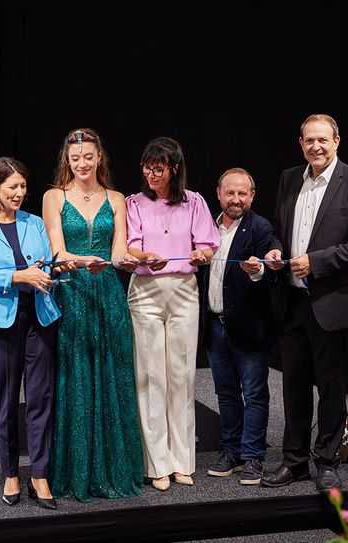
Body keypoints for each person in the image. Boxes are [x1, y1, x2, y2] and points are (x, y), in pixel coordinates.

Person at [262, 114, 348, 492]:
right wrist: (275, 249)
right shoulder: (288, 179)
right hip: (291, 300)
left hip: (332, 300)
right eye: (309, 140)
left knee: (331, 388)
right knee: (294, 387)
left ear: (336, 141)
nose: (316, 147)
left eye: (323, 140)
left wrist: (316, 262)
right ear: (301, 143)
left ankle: (327, 462)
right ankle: (294, 461)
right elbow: (280, 229)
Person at [42, 128, 144, 501]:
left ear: (99, 156)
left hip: (108, 295)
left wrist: (129, 261)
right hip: (73, 292)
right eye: (75, 159)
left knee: (113, 374)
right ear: (67, 160)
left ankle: (115, 469)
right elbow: (57, 252)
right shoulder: (54, 196)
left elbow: (117, 251)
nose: (82, 164)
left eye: (88, 157)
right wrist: (83, 261)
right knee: (76, 377)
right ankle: (77, 471)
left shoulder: (116, 198)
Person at [0, 157, 63, 510]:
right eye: (12, 187)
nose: (20, 193)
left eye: (22, 186)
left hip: (39, 318)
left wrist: (53, 269)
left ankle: (40, 474)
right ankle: (10, 473)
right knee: (5, 401)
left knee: (40, 398)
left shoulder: (34, 223)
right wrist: (19, 276)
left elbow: (49, 264)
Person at [126, 136, 220, 490]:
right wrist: (146, 257)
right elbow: (132, 247)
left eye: (159, 169)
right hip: (146, 291)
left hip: (183, 291)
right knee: (151, 376)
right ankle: (157, 464)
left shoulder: (194, 202)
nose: (151, 174)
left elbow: (208, 246)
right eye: (147, 168)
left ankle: (182, 461)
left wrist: (201, 255)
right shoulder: (134, 203)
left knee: (181, 376)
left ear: (174, 169)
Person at [203, 168, 275, 486]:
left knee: (255, 393)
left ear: (252, 196)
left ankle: (253, 456)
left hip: (249, 325)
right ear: (219, 194)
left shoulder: (260, 228)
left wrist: (257, 271)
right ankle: (231, 451)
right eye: (230, 193)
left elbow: (271, 280)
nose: (236, 199)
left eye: (242, 193)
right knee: (225, 393)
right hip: (214, 325)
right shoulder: (206, 226)